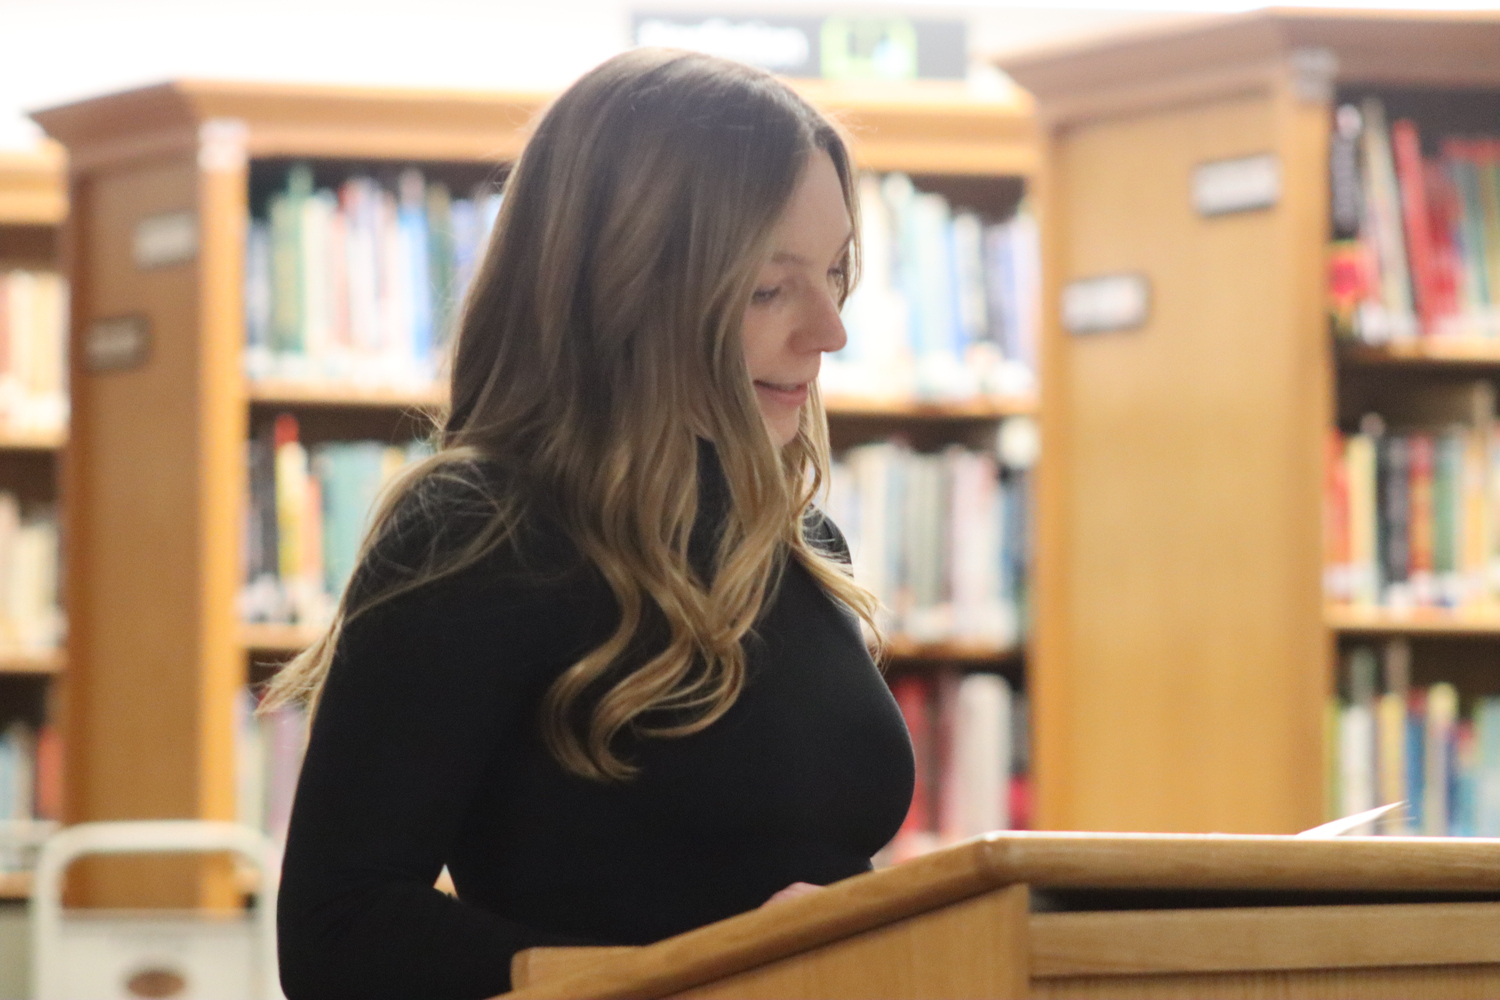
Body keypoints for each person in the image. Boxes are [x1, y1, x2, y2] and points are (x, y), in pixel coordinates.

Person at [266, 46, 915, 1000]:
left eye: (834, 273)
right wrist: (685, 978)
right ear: (630, 281)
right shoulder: (478, 533)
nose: (830, 331)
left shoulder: (798, 542)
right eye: (770, 288)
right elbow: (339, 928)